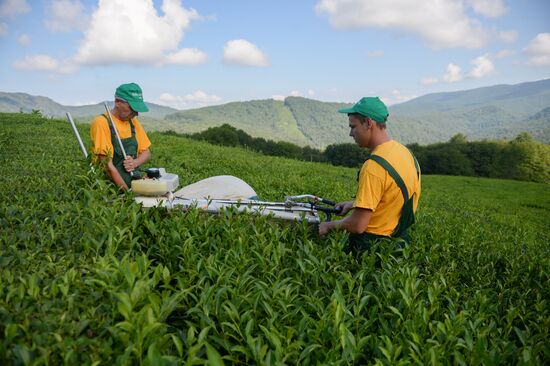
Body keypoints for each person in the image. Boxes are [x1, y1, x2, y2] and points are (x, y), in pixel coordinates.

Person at [318, 97, 421, 253]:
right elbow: (392, 196)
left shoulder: (374, 167)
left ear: (368, 123)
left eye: (353, 127)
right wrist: (355, 204)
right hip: (400, 243)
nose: (350, 133)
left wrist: (328, 226)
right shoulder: (405, 153)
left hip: (372, 247)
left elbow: (358, 225)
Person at [90, 82, 151, 190]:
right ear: (117, 102)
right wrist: (127, 194)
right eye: (131, 107)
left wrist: (135, 162)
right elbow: (107, 166)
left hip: (133, 183)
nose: (135, 113)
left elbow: (146, 152)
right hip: (110, 187)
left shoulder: (133, 121)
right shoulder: (102, 122)